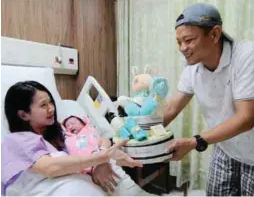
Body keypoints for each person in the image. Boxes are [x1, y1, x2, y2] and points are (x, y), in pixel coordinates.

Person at [164, 3, 254, 196]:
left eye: (188, 40)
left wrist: (194, 141)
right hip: (227, 146)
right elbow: (172, 107)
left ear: (215, 34)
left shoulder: (247, 55)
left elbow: (246, 118)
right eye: (179, 42)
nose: (183, 48)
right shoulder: (192, 68)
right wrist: (138, 137)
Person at [1, 81, 147, 196]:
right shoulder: (16, 141)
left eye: (51, 102)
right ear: (23, 115)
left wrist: (100, 159)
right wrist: (102, 157)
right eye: (43, 105)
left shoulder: (63, 130)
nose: (51, 108)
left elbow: (100, 139)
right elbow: (50, 168)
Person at [61, 115, 152, 195]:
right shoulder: (68, 139)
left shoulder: (89, 131)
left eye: (72, 123)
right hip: (85, 172)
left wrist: (101, 155)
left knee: (120, 185)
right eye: (67, 126)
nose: (70, 126)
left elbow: (104, 141)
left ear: (82, 122)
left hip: (102, 159)